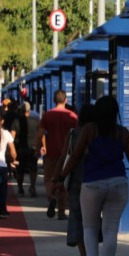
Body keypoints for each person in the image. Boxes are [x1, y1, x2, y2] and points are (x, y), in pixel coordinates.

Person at [57, 95, 129, 256]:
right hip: (118, 184)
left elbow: (76, 156)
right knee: (110, 230)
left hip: (92, 184)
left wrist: (61, 177)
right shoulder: (122, 133)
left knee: (90, 227)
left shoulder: (89, 130)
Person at [35, 90, 78, 220]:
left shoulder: (48, 115)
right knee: (64, 181)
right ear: (65, 101)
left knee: (49, 178)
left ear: (54, 100)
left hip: (51, 152)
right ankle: (61, 212)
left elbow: (40, 134)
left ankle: (51, 196)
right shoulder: (73, 116)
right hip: (67, 154)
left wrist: (38, 148)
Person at [62, 105, 95, 256]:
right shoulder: (100, 135)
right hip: (95, 179)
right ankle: (93, 255)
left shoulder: (73, 135)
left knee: (77, 217)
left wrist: (59, 179)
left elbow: (67, 157)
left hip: (76, 181)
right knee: (94, 219)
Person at [11, 101, 40, 198]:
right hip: (33, 148)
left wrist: (11, 149)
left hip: (20, 149)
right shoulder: (35, 121)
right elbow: (41, 134)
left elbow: (12, 136)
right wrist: (41, 146)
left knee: (20, 170)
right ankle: (32, 186)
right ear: (29, 110)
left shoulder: (16, 121)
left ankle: (20, 188)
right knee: (33, 169)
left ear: (21, 110)